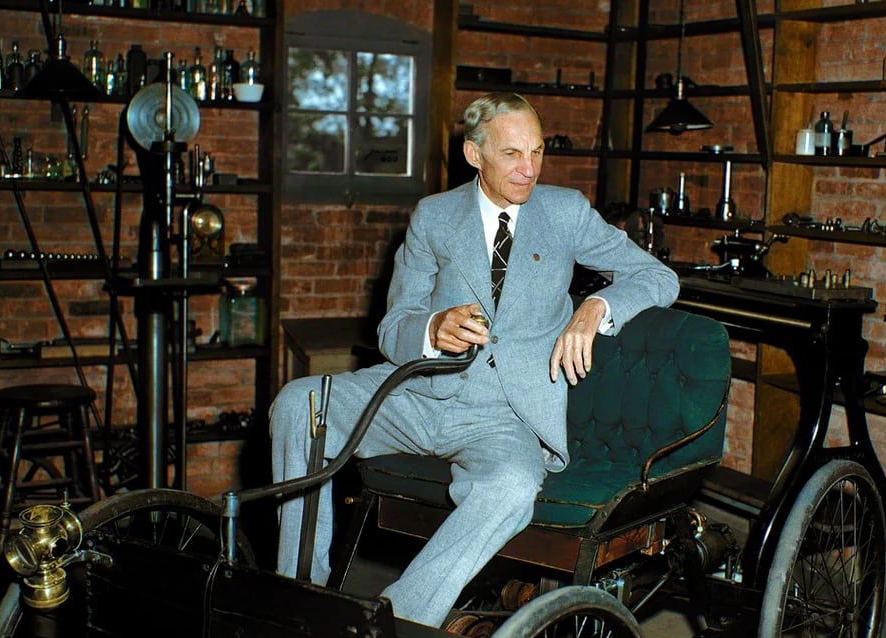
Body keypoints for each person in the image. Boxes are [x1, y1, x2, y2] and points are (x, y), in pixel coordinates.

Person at [269, 91, 679, 627]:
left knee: (511, 487)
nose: (528, 168)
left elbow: (659, 277)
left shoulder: (565, 212)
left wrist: (596, 307)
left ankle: (397, 619)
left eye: (536, 152)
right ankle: (296, 600)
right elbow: (393, 330)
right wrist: (433, 329)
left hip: (503, 415)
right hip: (419, 393)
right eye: (512, 153)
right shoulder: (434, 217)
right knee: (300, 405)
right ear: (474, 155)